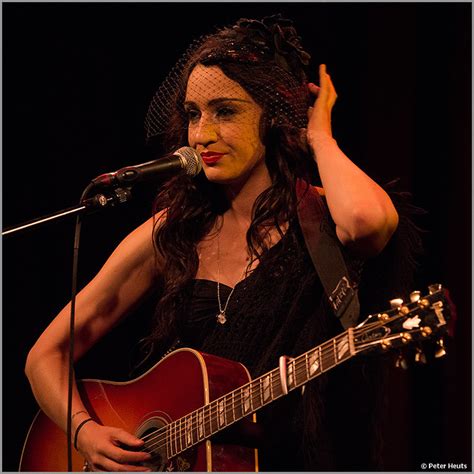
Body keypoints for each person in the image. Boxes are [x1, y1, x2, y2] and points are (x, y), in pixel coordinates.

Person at [25, 15, 419, 471]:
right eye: (193, 114)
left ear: (273, 118)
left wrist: (318, 136)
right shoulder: (173, 230)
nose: (201, 134)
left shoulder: (323, 216)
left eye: (225, 111)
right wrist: (85, 434)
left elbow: (367, 224)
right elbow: (44, 355)